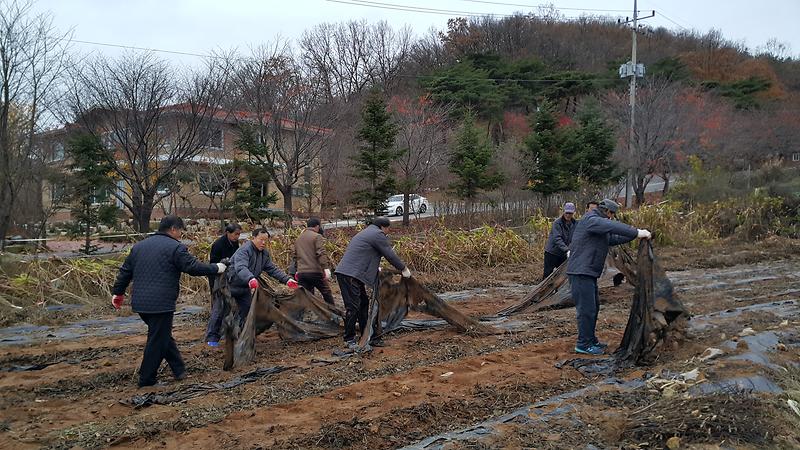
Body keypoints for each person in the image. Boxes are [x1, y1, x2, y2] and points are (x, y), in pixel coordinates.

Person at [111, 216, 226, 388]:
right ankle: (146, 380)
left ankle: (179, 369)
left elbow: (125, 272)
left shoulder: (139, 246)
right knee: (157, 340)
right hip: (161, 303)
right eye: (180, 231)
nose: (180, 235)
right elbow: (192, 267)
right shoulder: (175, 247)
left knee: (162, 335)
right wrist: (217, 268)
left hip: (141, 303)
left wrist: (117, 293)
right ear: (173, 229)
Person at [567, 199, 651, 355]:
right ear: (607, 211)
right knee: (586, 310)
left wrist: (635, 236)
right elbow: (611, 226)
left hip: (588, 273)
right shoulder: (591, 219)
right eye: (612, 214)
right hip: (580, 272)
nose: (612, 218)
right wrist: (636, 231)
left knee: (593, 308)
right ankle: (583, 344)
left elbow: (613, 238)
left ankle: (590, 340)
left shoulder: (597, 225)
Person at [335, 217, 410, 347]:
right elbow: (389, 254)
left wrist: (374, 267)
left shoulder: (366, 233)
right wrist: (403, 268)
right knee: (353, 307)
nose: (387, 233)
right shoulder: (377, 234)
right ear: (383, 227)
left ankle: (366, 333)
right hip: (349, 275)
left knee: (363, 303)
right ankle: (349, 339)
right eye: (388, 229)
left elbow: (363, 254)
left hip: (352, 274)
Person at [228, 228, 298, 325]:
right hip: (230, 285)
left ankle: (240, 333)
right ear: (254, 238)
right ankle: (212, 338)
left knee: (246, 310)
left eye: (266, 240)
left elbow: (272, 269)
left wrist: (287, 280)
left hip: (244, 287)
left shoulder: (264, 254)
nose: (264, 243)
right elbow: (240, 267)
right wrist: (250, 278)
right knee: (221, 312)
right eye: (261, 240)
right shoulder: (244, 250)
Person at [205, 223, 242, 347]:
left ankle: (224, 330)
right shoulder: (218, 245)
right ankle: (211, 336)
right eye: (235, 234)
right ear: (228, 233)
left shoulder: (235, 243)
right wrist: (222, 263)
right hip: (218, 279)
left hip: (230, 278)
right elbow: (212, 264)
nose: (237, 237)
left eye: (239, 234)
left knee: (229, 306)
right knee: (218, 307)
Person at [292, 217, 335, 305]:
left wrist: (297, 270)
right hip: (315, 272)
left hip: (301, 273)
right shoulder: (317, 236)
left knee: (306, 296)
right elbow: (320, 253)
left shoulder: (298, 238)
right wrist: (325, 268)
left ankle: (307, 314)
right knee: (326, 292)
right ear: (317, 226)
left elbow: (295, 257)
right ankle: (333, 312)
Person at [543, 202, 577, 278]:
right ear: (564, 212)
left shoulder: (575, 224)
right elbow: (557, 238)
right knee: (548, 274)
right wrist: (567, 250)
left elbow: (576, 237)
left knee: (563, 275)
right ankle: (543, 289)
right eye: (567, 213)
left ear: (573, 213)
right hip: (552, 253)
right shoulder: (557, 223)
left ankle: (559, 290)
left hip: (564, 254)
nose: (568, 215)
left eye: (570, 213)